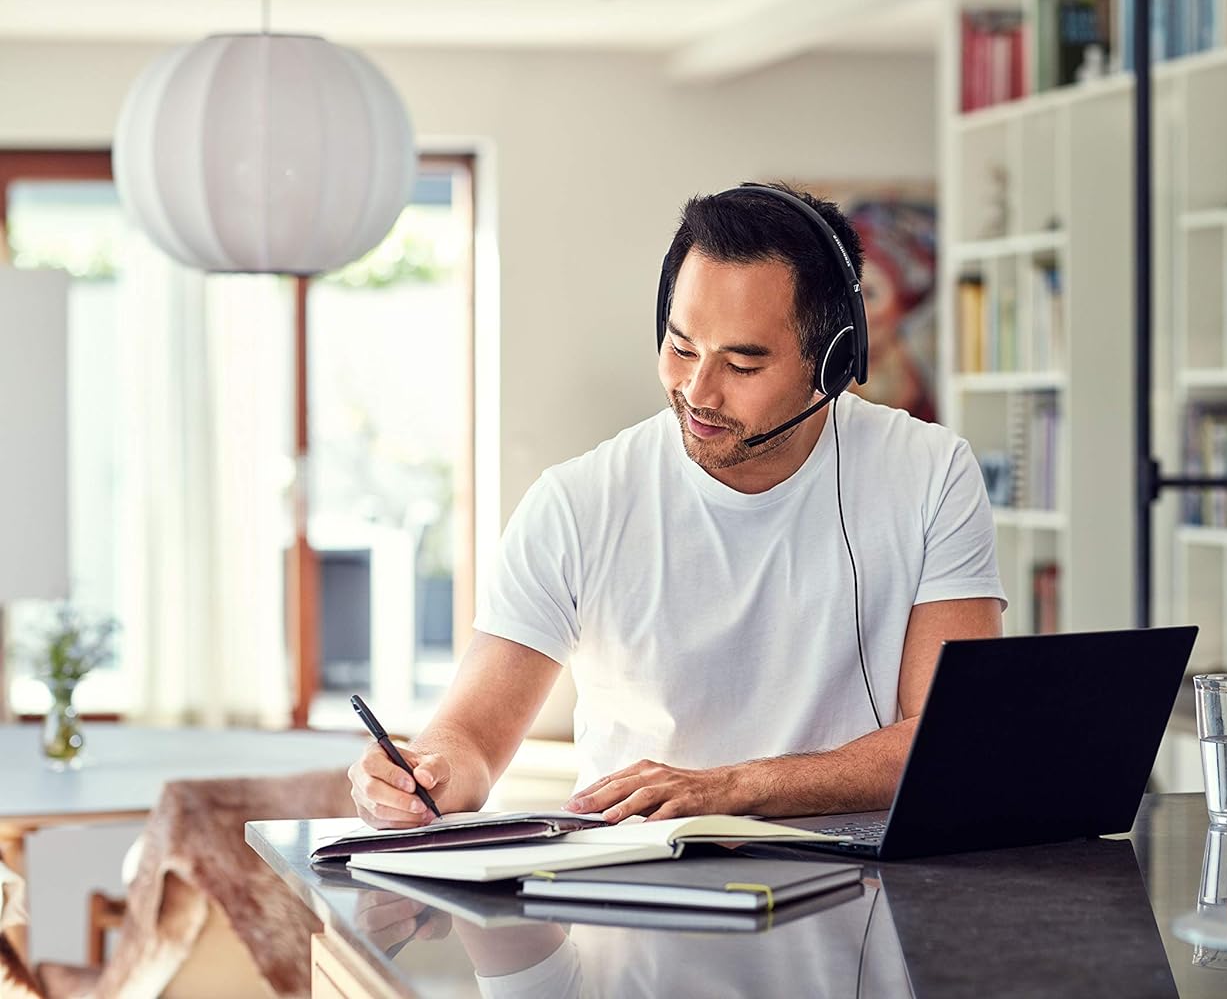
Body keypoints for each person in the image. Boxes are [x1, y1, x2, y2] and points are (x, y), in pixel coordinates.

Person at [348, 182, 1007, 829]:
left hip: (856, 886)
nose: (697, 390)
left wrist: (735, 786)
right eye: (681, 347)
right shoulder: (578, 501)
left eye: (743, 365)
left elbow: (954, 737)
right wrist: (422, 773)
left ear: (833, 361)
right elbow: (470, 739)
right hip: (635, 891)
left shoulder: (928, 472)